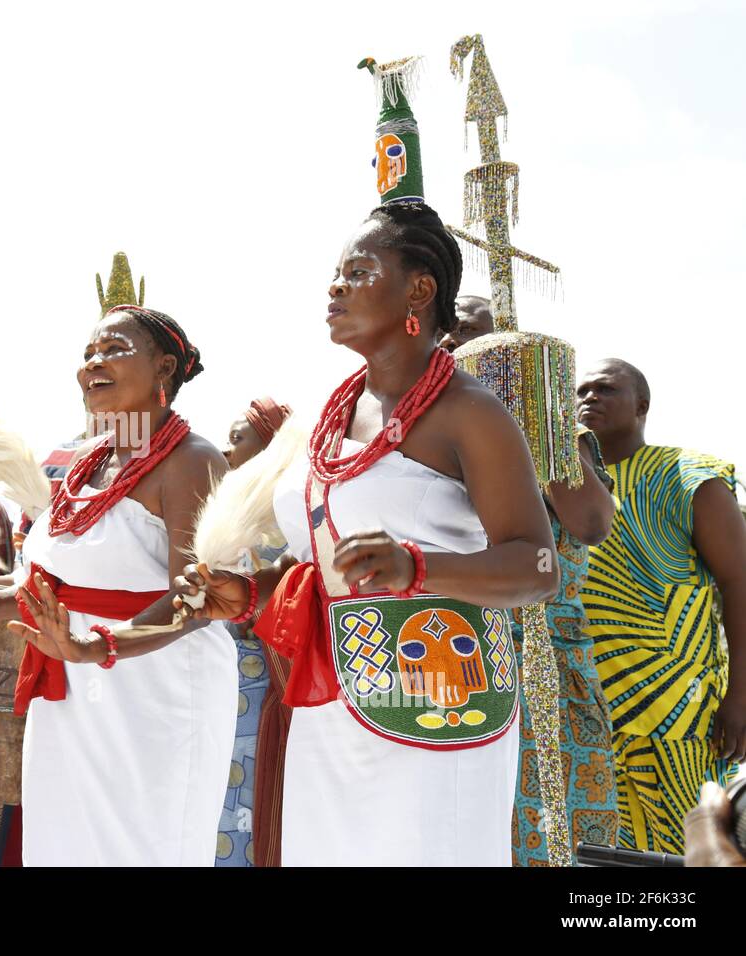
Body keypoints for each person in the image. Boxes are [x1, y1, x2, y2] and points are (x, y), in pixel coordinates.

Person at [178, 201, 559, 866]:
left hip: (436, 697)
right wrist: (248, 591)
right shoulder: (328, 414)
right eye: (336, 273)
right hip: (330, 699)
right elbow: (320, 564)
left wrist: (417, 567)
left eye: (358, 271)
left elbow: (538, 566)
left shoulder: (469, 413)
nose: (335, 287)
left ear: (419, 290)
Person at [0, 304, 237, 866]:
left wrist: (99, 646)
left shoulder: (193, 460)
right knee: (64, 843)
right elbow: (50, 586)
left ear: (164, 369)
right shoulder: (84, 463)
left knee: (143, 845)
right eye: (88, 353)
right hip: (71, 693)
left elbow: (200, 596)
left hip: (158, 692)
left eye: (113, 350)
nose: (93, 364)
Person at [460, 315, 620, 864]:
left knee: (570, 827)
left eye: (484, 343)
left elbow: (591, 524)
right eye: (457, 340)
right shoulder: (435, 435)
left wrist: (538, 424)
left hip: (555, 654)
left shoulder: (562, 436)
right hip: (466, 654)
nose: (467, 350)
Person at [578, 358, 745, 854]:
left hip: (679, 712)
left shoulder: (691, 476)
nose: (588, 399)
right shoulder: (560, 487)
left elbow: (739, 581)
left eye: (605, 389)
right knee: (602, 856)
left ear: (642, 405)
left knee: (695, 849)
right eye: (581, 391)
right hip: (590, 705)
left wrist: (740, 695)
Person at [217, 397, 292, 867]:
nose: (226, 451)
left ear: (271, 448)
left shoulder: (281, 525)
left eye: (237, 439)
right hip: (230, 694)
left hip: (262, 693)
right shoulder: (232, 517)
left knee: (251, 808)